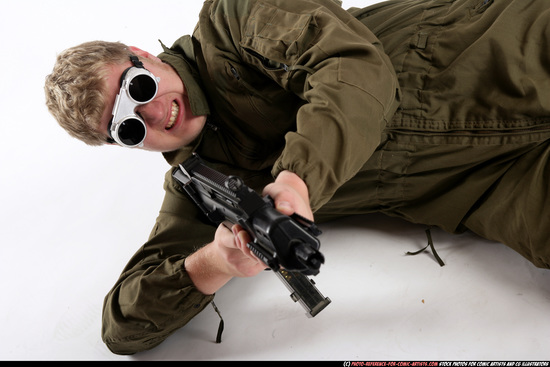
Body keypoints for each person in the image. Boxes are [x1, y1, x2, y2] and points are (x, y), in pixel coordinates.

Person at [44, 0, 550, 355]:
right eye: (128, 127)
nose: (153, 113)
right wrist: (215, 261)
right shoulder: (199, 188)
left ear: (145, 55)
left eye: (139, 86)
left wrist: (296, 181)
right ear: (124, 146)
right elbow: (122, 328)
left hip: (508, 49)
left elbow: (353, 69)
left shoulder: (235, 18)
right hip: (495, 183)